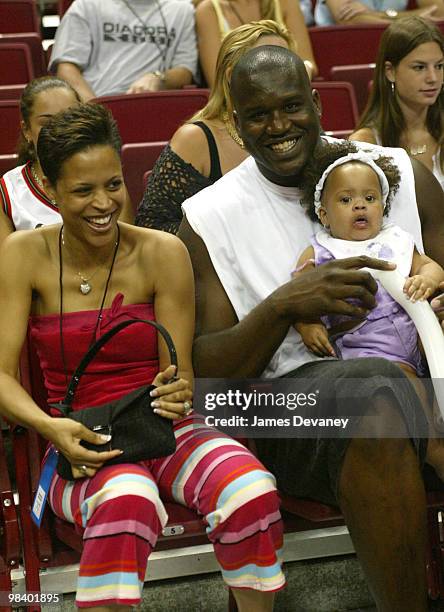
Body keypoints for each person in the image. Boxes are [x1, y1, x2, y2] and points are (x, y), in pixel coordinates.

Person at [178, 45, 444, 611]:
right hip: (285, 407)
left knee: (384, 386)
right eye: (259, 115)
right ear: (235, 123)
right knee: (376, 388)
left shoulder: (400, 173)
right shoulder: (209, 218)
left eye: (292, 106)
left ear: (317, 102)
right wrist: (281, 307)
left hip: (423, 374)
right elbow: (209, 377)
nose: (279, 125)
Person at [0, 103, 285, 611]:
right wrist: (50, 427)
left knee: (250, 489)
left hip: (164, 428)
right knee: (127, 500)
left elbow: (181, 376)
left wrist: (179, 388)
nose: (103, 203)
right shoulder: (23, 254)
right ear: (49, 187)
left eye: (112, 184)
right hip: (79, 438)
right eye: (83, 191)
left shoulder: (162, 251)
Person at [294, 141, 444, 478]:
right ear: (323, 214)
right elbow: (299, 298)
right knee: (409, 391)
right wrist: (307, 325)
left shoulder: (398, 240)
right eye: (345, 200)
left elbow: (430, 266)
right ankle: (433, 451)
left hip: (419, 340)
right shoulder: (321, 252)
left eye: (370, 199)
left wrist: (427, 280)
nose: (359, 206)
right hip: (370, 354)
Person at [135, 19, 295, 234]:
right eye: (268, 66)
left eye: (287, 65)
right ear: (231, 76)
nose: (281, 77)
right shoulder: (195, 139)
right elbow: (153, 227)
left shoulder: (301, 129)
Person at [0, 77, 133, 246]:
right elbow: (7, 266)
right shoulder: (8, 192)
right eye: (47, 122)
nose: (60, 129)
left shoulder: (108, 181)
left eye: (69, 117)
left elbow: (125, 248)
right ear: (26, 130)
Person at [350, 16, 444, 190]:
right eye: (420, 67)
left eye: (439, 66)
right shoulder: (365, 144)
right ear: (390, 72)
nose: (433, 78)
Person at [49, 0, 198, 100]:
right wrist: (96, 109)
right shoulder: (86, 5)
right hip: (95, 102)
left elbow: (185, 71)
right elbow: (66, 68)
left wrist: (158, 77)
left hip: (151, 105)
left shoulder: (182, 9)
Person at [195, 0, 317, 87]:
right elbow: (217, 80)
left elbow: (308, 62)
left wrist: (303, 70)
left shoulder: (286, 3)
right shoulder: (207, 10)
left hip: (288, 93)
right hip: (237, 106)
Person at [314, 0, 442, 26]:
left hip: (397, 45)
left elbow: (438, 11)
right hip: (346, 46)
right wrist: (414, 19)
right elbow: (349, 19)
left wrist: (377, 14)